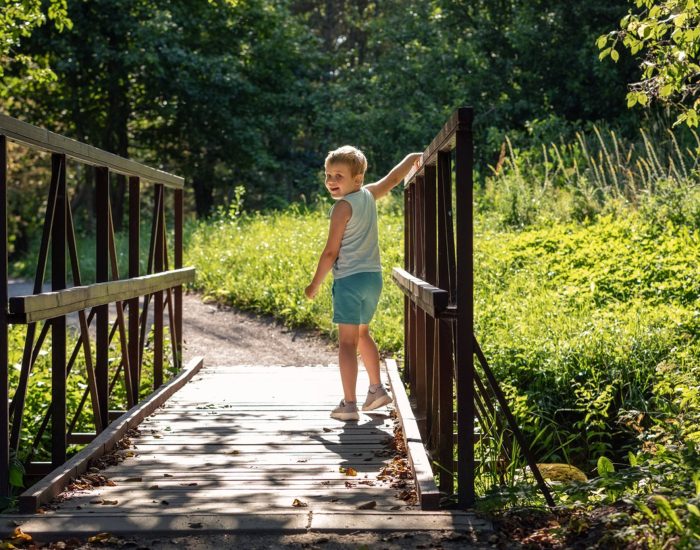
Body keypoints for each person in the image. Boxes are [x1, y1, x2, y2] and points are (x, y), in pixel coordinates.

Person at [304, 146, 422, 420]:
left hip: (349, 281)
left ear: (357, 179)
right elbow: (392, 180)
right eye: (328, 175)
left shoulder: (342, 207)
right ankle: (377, 389)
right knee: (361, 334)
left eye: (339, 176)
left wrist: (315, 284)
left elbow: (331, 252)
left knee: (346, 342)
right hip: (373, 279)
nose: (332, 181)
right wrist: (413, 156)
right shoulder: (368, 195)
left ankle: (349, 404)